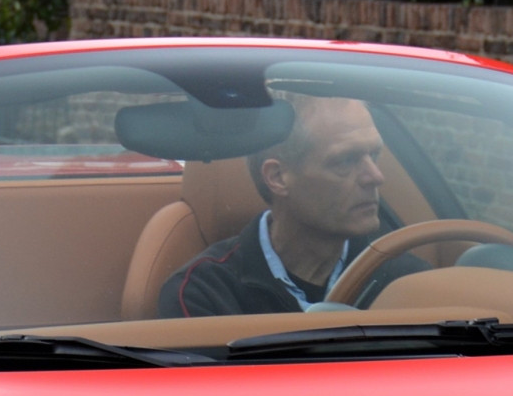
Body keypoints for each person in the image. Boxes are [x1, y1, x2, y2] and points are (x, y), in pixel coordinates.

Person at [158, 95, 424, 317]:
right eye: (346, 161)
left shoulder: (406, 280)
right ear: (278, 177)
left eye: (374, 155)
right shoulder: (206, 293)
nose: (376, 176)